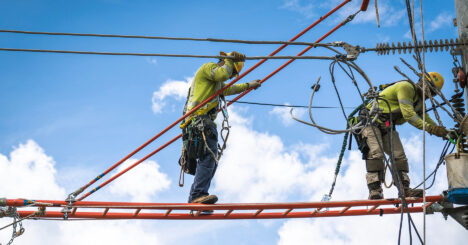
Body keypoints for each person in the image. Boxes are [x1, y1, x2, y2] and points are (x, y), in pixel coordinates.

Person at [179, 51, 261, 205]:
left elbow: (228, 89)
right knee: (209, 156)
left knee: (212, 159)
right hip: (200, 120)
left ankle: (196, 199)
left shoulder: (216, 82)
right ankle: (197, 195)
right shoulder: (208, 68)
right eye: (232, 72)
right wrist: (231, 61)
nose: (230, 76)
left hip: (201, 121)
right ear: (224, 62)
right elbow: (223, 75)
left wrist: (249, 85)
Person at [357, 72, 449, 199]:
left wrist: (444, 132)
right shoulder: (406, 87)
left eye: (433, 93)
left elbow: (425, 119)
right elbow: (409, 116)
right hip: (370, 120)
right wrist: (431, 129)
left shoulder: (419, 102)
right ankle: (375, 190)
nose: (430, 95)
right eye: (430, 90)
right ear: (423, 83)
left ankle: (404, 190)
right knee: (375, 153)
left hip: (387, 124)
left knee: (399, 155)